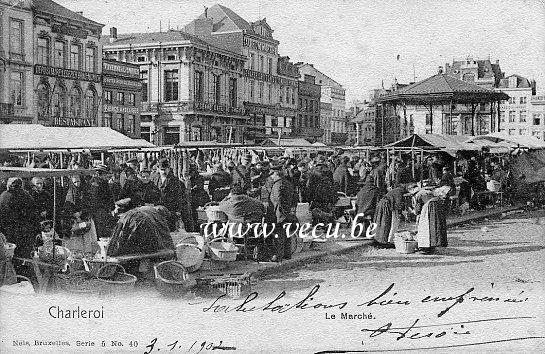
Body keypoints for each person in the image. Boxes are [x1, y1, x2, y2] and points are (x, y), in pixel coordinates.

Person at [107, 200, 175, 273]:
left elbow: (117, 240)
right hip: (159, 248)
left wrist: (110, 252)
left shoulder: (129, 216)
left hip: (145, 250)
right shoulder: (151, 212)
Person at [0, 177, 38, 278]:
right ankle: (25, 282)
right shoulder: (26, 196)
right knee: (23, 261)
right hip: (24, 235)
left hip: (9, 234)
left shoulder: (3, 197)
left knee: (10, 260)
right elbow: (34, 217)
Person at [266, 162, 298, 262]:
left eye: (272, 175)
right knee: (287, 235)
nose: (271, 177)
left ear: (276, 174)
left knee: (278, 235)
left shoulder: (277, 185)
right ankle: (287, 254)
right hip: (287, 212)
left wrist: (279, 214)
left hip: (279, 214)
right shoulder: (288, 183)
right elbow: (294, 198)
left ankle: (278, 256)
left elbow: (278, 201)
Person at [152, 158, 185, 231]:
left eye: (165, 169)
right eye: (162, 170)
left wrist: (178, 210)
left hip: (170, 210)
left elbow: (179, 196)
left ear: (169, 169)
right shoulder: (154, 178)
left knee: (169, 230)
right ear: (158, 169)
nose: (164, 171)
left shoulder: (175, 181)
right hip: (157, 209)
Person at [415, 186, 450, 254]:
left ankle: (426, 247)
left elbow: (417, 209)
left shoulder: (419, 195)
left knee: (426, 228)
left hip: (428, 210)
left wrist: (416, 213)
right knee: (435, 227)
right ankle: (433, 246)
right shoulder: (434, 195)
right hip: (435, 209)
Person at [373, 183, 407, 247]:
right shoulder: (399, 192)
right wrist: (401, 213)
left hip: (382, 204)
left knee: (381, 222)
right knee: (387, 223)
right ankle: (385, 241)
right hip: (386, 206)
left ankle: (379, 239)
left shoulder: (396, 190)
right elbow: (398, 204)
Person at [86, 164, 115, 240]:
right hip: (100, 210)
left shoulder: (99, 182)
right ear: (100, 174)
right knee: (101, 230)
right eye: (105, 174)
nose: (106, 176)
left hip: (100, 210)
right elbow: (100, 198)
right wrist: (110, 207)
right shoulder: (98, 183)